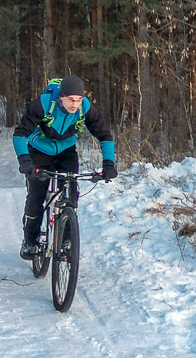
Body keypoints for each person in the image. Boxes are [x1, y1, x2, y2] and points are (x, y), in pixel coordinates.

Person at [12, 75, 117, 259]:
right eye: (71, 100)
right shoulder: (43, 104)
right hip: (39, 150)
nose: (75, 104)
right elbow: (20, 134)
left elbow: (105, 135)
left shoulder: (84, 107)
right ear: (61, 97)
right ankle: (30, 241)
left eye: (78, 100)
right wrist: (25, 160)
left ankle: (67, 238)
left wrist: (108, 163)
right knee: (36, 197)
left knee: (70, 191)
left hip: (66, 150)